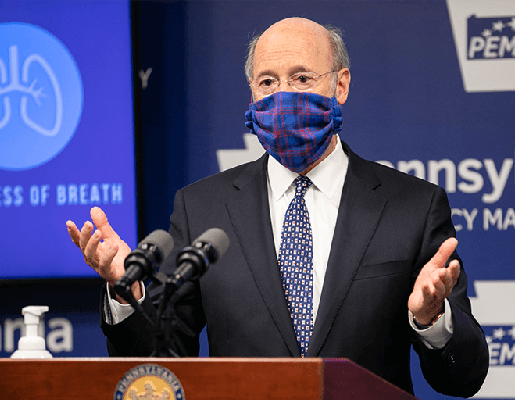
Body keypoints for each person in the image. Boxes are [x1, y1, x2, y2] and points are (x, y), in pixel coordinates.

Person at [66, 17, 488, 397]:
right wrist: (129, 292)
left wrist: (433, 321)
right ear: (251, 93)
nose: (283, 97)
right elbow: (160, 363)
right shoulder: (202, 207)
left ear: (340, 86)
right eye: (267, 82)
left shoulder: (411, 206)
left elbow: (464, 378)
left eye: (302, 78)